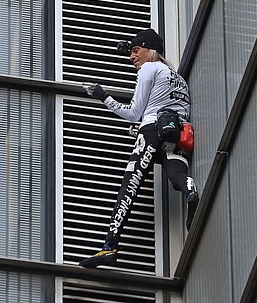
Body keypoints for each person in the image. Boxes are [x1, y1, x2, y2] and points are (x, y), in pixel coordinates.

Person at [79, 29, 199, 269]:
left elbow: (134, 112)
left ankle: (109, 247)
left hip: (153, 129)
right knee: (177, 175)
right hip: (178, 132)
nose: (132, 57)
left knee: (129, 186)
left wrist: (104, 97)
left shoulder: (149, 69)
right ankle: (190, 190)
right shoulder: (178, 78)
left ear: (150, 50)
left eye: (136, 51)